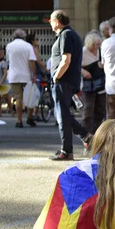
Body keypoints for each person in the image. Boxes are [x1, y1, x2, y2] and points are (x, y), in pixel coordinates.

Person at [49, 9, 92, 160]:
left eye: (51, 21)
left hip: (63, 80)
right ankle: (85, 136)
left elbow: (66, 59)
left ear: (57, 21)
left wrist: (56, 76)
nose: (50, 24)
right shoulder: (72, 34)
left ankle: (66, 150)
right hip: (69, 80)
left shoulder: (66, 35)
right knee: (63, 114)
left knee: (62, 115)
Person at [6, 29, 37, 128]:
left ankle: (19, 120)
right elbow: (32, 61)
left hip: (14, 76)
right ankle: (29, 117)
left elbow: (8, 60)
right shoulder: (28, 46)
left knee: (18, 98)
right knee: (30, 97)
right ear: (24, 37)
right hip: (26, 75)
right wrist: (34, 74)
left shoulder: (9, 46)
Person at [81, 30, 106, 134]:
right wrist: (83, 71)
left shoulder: (101, 50)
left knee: (100, 108)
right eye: (95, 44)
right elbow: (75, 65)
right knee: (88, 108)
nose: (97, 46)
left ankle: (97, 131)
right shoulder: (83, 52)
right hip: (88, 84)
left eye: (98, 44)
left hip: (101, 84)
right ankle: (87, 133)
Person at [26, 33, 48, 121]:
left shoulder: (26, 48)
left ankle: (31, 114)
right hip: (36, 73)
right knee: (36, 94)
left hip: (27, 73)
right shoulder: (34, 49)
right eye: (36, 39)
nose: (37, 41)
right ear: (32, 41)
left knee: (30, 94)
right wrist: (45, 69)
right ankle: (33, 114)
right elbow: (38, 61)